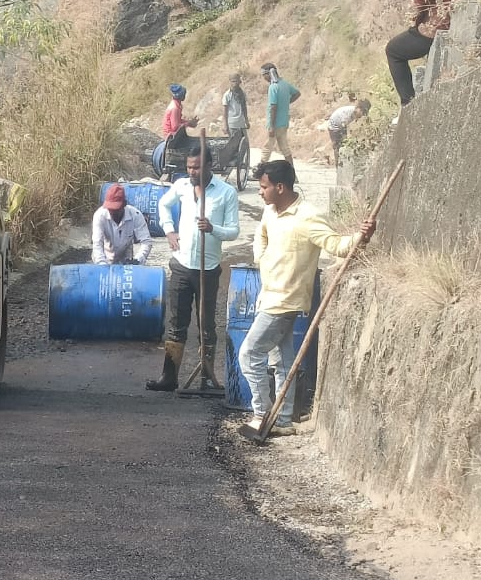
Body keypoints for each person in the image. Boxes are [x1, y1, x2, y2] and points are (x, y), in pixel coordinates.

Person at [236, 160, 375, 440]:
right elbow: (260, 237)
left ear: (280, 187)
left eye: (263, 187)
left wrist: (361, 236)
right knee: (281, 361)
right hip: (268, 296)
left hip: (285, 301)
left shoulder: (308, 217)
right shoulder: (270, 211)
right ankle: (283, 420)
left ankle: (262, 415)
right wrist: (261, 258)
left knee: (249, 354)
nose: (260, 192)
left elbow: (335, 245)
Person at [147, 149, 240, 392]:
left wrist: (213, 229)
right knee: (176, 323)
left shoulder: (226, 192)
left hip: (207, 269)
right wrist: (169, 230)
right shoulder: (181, 186)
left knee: (206, 325)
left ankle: (206, 378)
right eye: (189, 167)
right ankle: (169, 377)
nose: (192, 172)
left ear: (210, 165)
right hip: (181, 265)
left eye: (197, 167)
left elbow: (234, 231)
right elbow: (163, 204)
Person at [92, 184, 154, 265]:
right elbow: (97, 243)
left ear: (124, 205)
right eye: (110, 209)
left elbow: (146, 241)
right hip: (104, 258)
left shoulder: (136, 215)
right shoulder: (99, 216)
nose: (112, 212)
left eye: (116, 209)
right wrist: (101, 263)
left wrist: (138, 259)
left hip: (127, 260)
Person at [259, 64, 301, 163]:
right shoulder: (285, 84)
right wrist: (286, 102)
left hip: (275, 124)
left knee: (267, 148)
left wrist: (271, 126)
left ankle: (260, 169)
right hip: (284, 122)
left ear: (269, 74)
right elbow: (297, 93)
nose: (264, 77)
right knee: (285, 148)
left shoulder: (273, 87)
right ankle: (291, 170)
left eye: (264, 75)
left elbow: (273, 107)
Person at [325, 96, 372, 168]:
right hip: (334, 126)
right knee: (337, 146)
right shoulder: (348, 114)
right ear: (358, 108)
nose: (362, 115)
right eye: (363, 112)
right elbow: (345, 127)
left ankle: (343, 165)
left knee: (345, 144)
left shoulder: (355, 113)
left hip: (341, 125)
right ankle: (339, 166)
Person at [220, 72, 249, 171]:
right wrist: (225, 125)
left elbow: (244, 108)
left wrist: (247, 120)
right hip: (232, 124)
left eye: (236, 81)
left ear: (239, 81)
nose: (235, 83)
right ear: (230, 82)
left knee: (245, 144)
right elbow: (224, 112)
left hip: (241, 123)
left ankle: (240, 162)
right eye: (233, 81)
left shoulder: (242, 94)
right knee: (233, 145)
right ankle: (232, 163)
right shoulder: (227, 95)